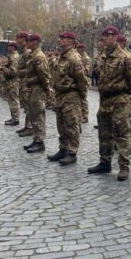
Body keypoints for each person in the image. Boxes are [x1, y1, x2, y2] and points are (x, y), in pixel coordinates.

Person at [88, 26, 131, 180]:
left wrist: (125, 93)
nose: (104, 38)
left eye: (108, 36)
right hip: (105, 100)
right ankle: (105, 162)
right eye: (103, 36)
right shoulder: (103, 56)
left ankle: (124, 166)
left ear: (116, 37)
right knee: (104, 133)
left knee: (122, 133)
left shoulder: (126, 57)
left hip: (120, 100)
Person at [48, 32, 87, 166]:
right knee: (61, 124)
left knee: (71, 125)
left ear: (70, 41)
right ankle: (63, 149)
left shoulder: (74, 58)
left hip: (71, 95)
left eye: (63, 39)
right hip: (60, 95)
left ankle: (72, 152)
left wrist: (81, 95)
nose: (60, 41)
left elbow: (81, 80)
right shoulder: (62, 56)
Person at [23, 33, 51, 153]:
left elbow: (43, 75)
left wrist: (47, 88)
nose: (27, 43)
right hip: (33, 88)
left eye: (29, 41)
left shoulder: (39, 56)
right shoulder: (32, 55)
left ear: (35, 42)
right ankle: (36, 139)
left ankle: (40, 142)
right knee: (33, 115)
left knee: (38, 115)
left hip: (38, 89)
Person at [15, 31, 33, 137]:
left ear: (23, 39)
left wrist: (18, 72)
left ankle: (30, 127)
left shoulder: (27, 52)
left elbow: (31, 69)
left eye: (18, 38)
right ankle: (27, 125)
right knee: (26, 106)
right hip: (23, 81)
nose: (16, 40)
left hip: (27, 82)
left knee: (29, 106)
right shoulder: (23, 51)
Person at [0, 42, 20, 125]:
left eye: (9, 46)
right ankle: (13, 117)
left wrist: (1, 68)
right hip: (10, 82)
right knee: (11, 101)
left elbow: (13, 72)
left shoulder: (14, 57)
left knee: (14, 100)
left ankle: (16, 119)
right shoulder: (11, 56)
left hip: (13, 82)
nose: (7, 48)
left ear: (13, 47)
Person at [77, 43, 91, 123]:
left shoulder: (86, 58)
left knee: (83, 98)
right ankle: (80, 115)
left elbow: (87, 69)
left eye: (79, 48)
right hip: (79, 79)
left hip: (84, 80)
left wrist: (80, 71)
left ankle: (85, 116)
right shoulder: (78, 56)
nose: (78, 50)